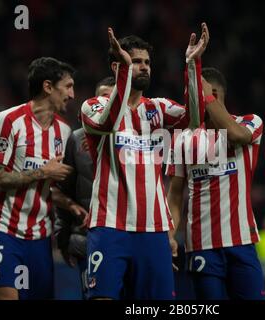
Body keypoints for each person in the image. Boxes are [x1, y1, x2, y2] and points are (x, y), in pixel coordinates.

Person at [80, 23, 208, 300]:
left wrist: (192, 65)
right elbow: (109, 122)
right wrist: (124, 71)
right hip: (110, 224)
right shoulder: (93, 106)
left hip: (154, 228)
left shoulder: (158, 108)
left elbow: (196, 119)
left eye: (147, 62)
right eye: (135, 62)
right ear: (117, 67)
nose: (144, 67)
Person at [166, 66, 265, 300]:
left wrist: (205, 95)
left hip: (242, 243)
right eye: (199, 98)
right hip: (202, 246)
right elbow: (175, 195)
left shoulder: (250, 123)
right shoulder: (182, 139)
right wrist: (169, 235)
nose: (203, 104)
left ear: (220, 96)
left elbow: (236, 135)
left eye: (210, 97)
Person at [0, 57, 76, 300]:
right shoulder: (9, 120)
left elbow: (51, 189)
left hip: (40, 237)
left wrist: (70, 205)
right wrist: (43, 172)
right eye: (67, 86)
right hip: (4, 228)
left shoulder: (64, 132)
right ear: (47, 86)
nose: (72, 94)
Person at [53, 76, 115, 299]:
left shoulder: (136, 139)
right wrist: (63, 236)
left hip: (127, 236)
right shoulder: (76, 140)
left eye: (111, 99)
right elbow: (64, 189)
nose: (105, 106)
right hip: (87, 239)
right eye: (101, 99)